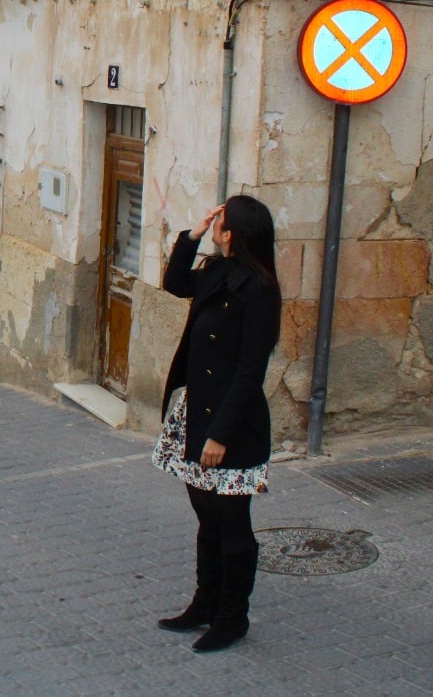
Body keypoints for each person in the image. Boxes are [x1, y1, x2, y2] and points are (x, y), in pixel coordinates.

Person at [151, 195, 281, 653]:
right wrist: (192, 235)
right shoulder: (214, 272)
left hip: (230, 425)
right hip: (196, 410)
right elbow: (174, 282)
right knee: (206, 517)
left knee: (231, 522)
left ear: (234, 234)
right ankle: (204, 605)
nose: (215, 226)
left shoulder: (259, 291)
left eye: (219, 221)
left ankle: (232, 618)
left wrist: (220, 435)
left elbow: (250, 371)